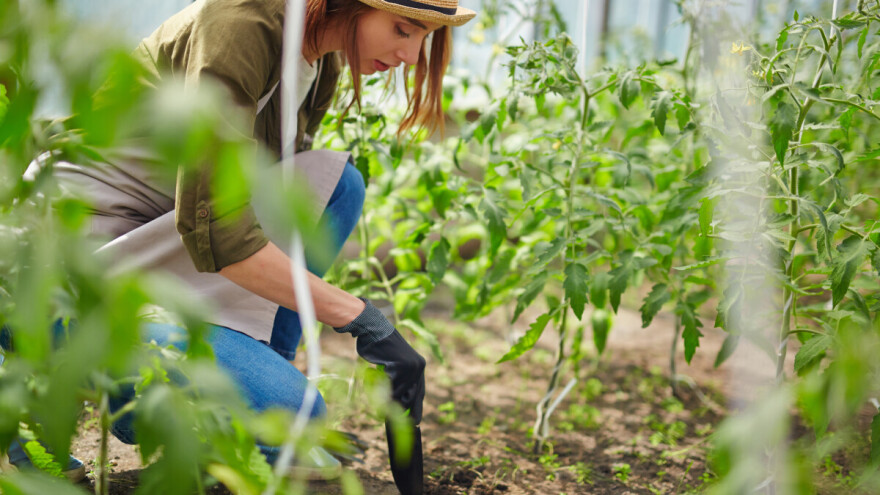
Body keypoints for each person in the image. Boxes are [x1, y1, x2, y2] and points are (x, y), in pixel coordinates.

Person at [2, 0, 475, 483]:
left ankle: (251, 396)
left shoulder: (320, 63)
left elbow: (262, 212)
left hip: (158, 239)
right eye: (403, 30)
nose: (411, 57)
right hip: (74, 258)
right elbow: (220, 231)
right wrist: (365, 320)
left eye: (424, 39)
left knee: (337, 187)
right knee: (291, 414)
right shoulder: (239, 26)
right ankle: (36, 382)